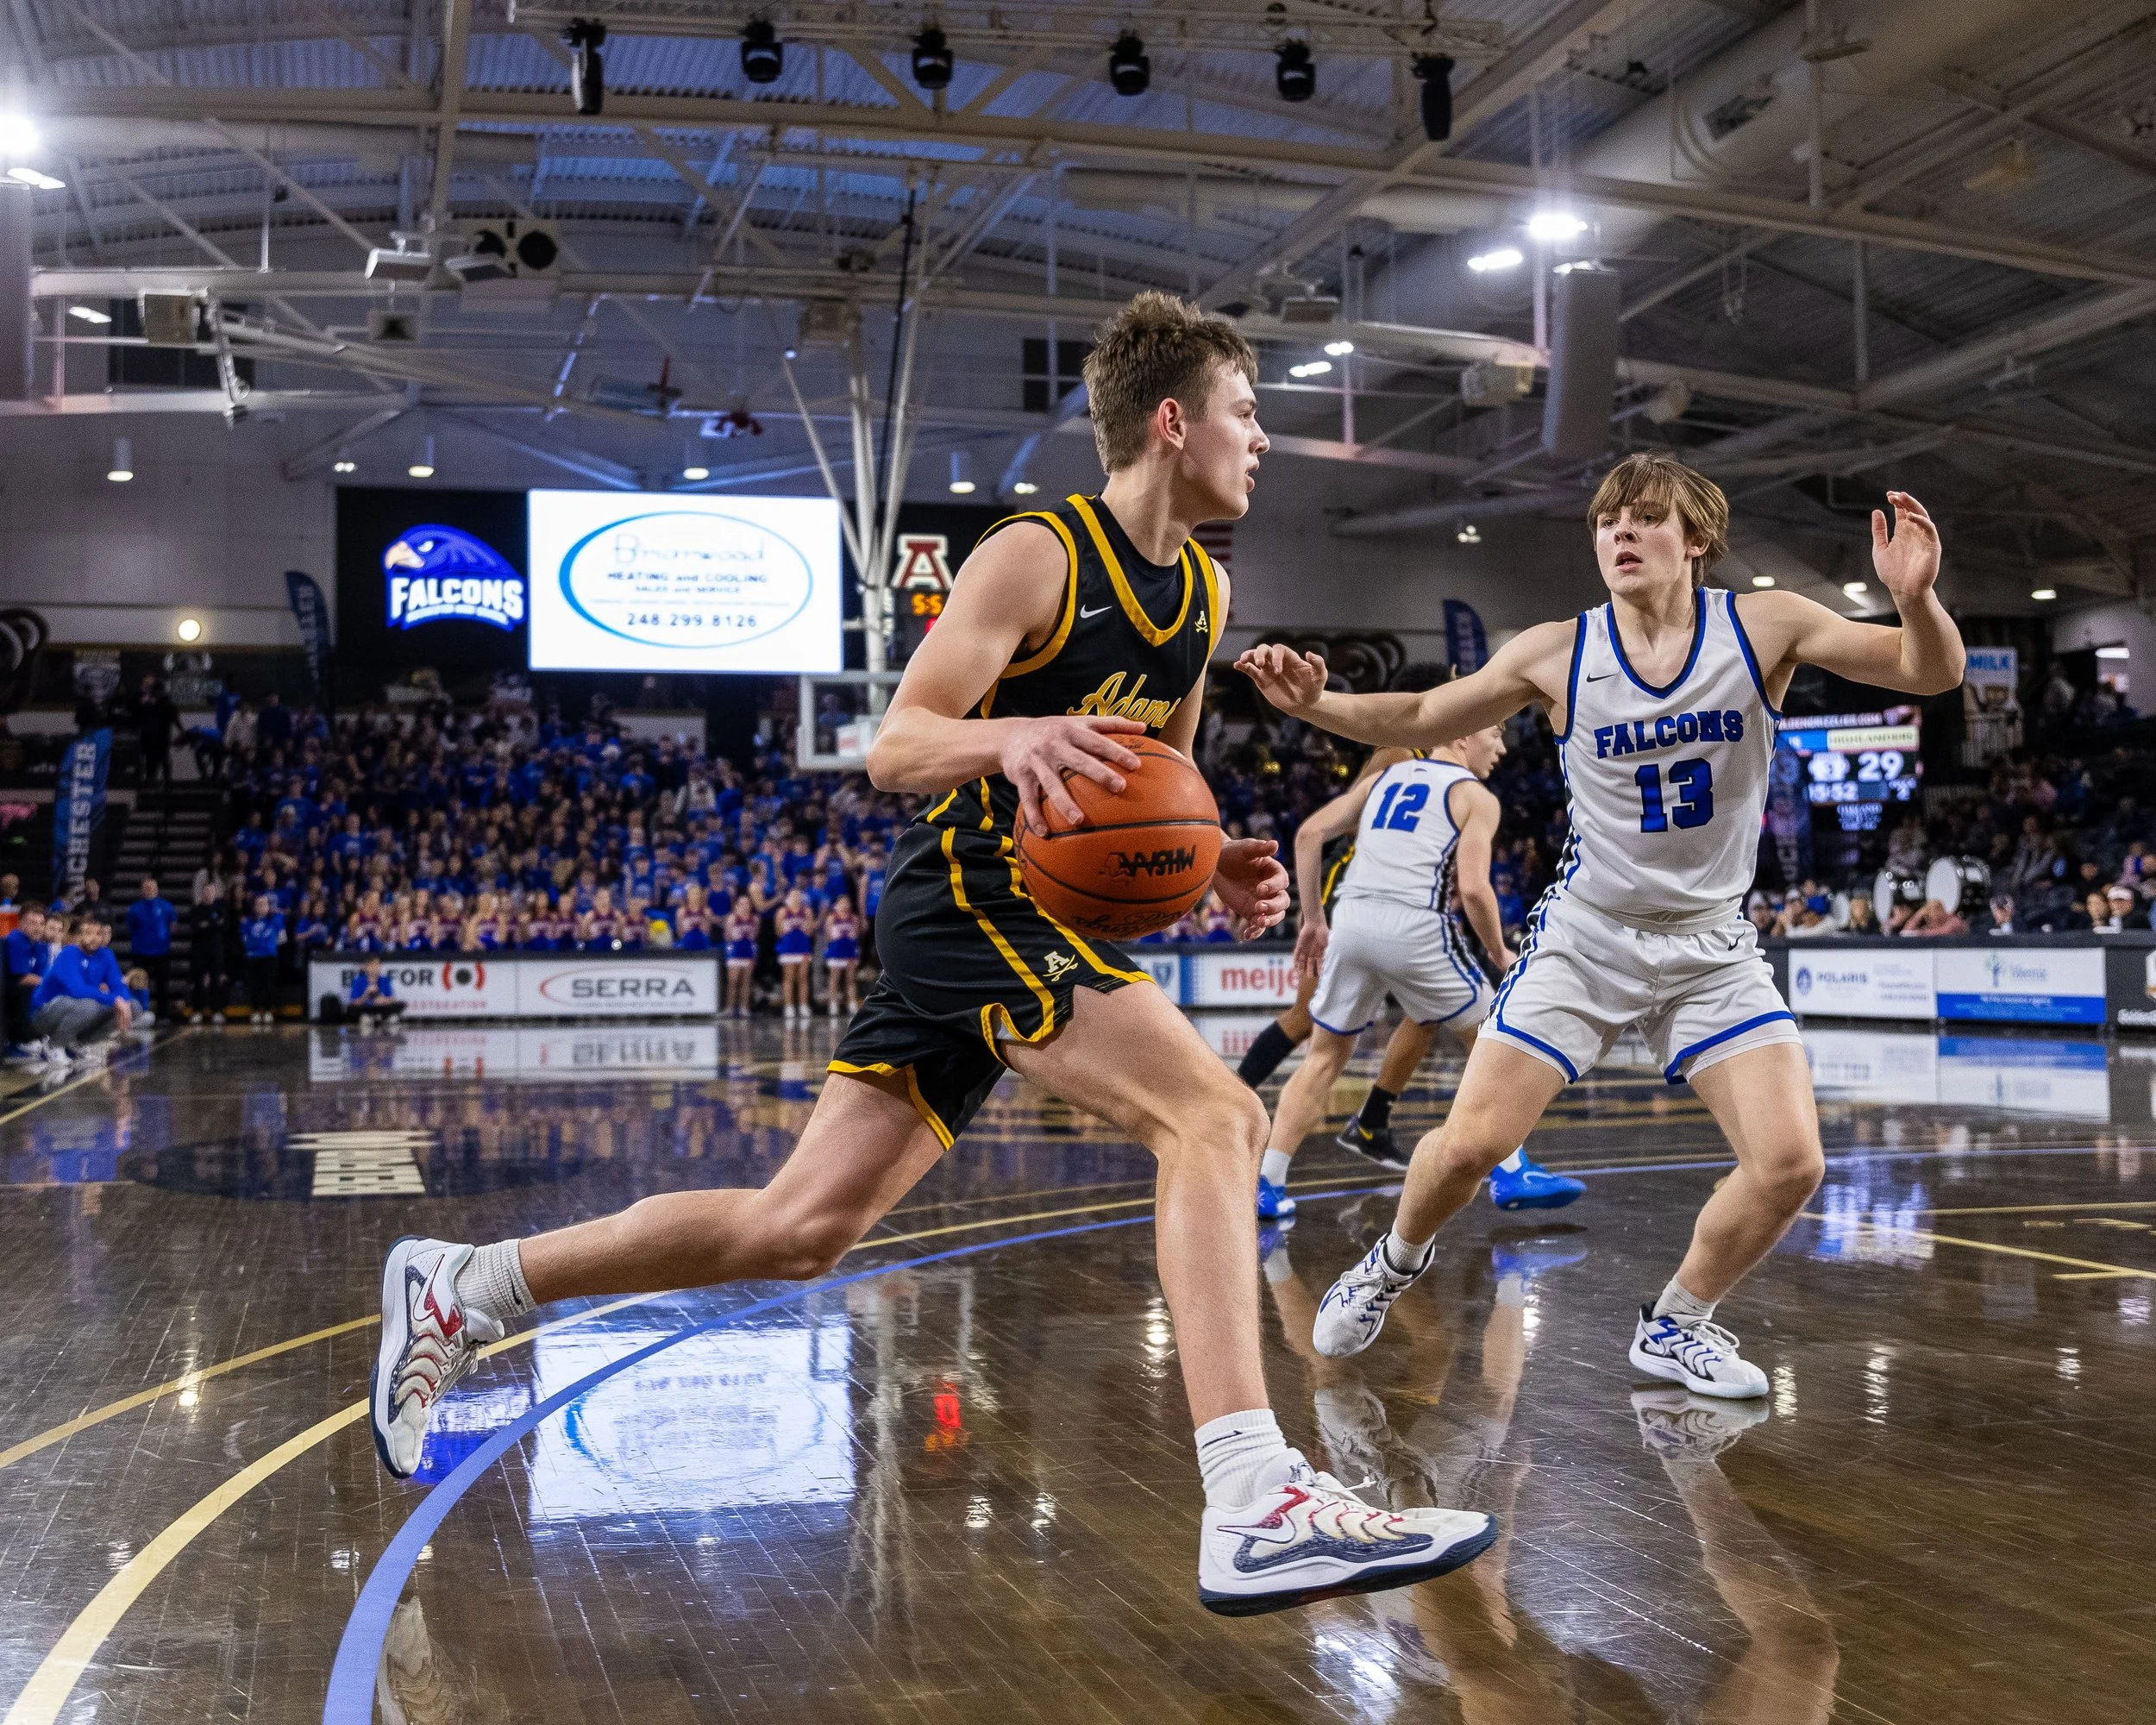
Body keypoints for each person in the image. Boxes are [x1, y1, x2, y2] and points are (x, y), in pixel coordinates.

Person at [367, 291, 1497, 1616]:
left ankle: (466, 1286)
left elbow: (1160, 783)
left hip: (1030, 916)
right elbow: (895, 745)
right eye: (1249, 415)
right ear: (1174, 421)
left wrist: (1218, 862)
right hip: (962, 888)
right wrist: (1007, 740)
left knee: (799, 1230)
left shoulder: (1203, 588)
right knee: (1215, 1114)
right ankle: (1254, 1497)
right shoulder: (1037, 555)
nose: (1265, 443)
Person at [1239, 455, 1961, 1398]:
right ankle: (1391, 1262)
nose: (1618, 533)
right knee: (1469, 1147)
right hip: (1588, 935)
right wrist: (1315, 704)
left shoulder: (1764, 622)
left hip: (1709, 944)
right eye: (1605, 521)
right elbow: (1420, 710)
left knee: (1790, 1163)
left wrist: (1915, 599)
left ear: (1693, 537)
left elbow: (1927, 670)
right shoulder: (1557, 650)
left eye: (1643, 518)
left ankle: (1676, 1324)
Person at [1257, 724, 1584, 1218]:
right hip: (1414, 925)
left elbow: (1308, 834)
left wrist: (1314, 919)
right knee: (1492, 1041)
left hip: (1352, 919)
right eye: (1493, 734)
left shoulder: (1384, 778)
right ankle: (1513, 1172)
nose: (1501, 747)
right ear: (1460, 736)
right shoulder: (1475, 797)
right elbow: (1474, 891)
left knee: (1323, 1057)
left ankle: (1268, 1183)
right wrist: (1498, 952)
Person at [1236, 738, 1468, 1171]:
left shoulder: (1456, 774)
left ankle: (1372, 1122)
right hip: (1358, 884)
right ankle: (1230, 1098)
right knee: (1307, 1018)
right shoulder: (1402, 754)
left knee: (1427, 1017)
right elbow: (1351, 819)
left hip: (1405, 899)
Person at [29, 913, 131, 1070]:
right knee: (90, 1005)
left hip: (76, 1008)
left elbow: (118, 986)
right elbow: (77, 990)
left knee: (133, 1007)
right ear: (78, 936)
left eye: (98, 934)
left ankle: (79, 1043)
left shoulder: (106, 954)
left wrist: (123, 1000)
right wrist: (115, 1000)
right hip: (43, 1014)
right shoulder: (68, 953)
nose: (94, 938)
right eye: (88, 933)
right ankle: (54, 1045)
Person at [123, 875, 178, 1019]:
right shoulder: (135, 909)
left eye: (152, 887)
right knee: (139, 983)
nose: (150, 890)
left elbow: (173, 925)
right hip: (141, 951)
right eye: (147, 888)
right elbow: (130, 927)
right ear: (142, 890)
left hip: (162, 951)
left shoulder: (166, 906)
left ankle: (163, 1014)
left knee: (162, 984)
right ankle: (139, 1012)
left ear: (157, 889)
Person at [4, 903, 51, 1059]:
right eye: (32, 923)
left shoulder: (39, 945)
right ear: (20, 923)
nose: (38, 928)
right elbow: (22, 978)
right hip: (7, 992)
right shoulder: (15, 940)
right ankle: (16, 1040)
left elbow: (39, 976)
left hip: (16, 992)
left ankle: (36, 1037)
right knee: (28, 990)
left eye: (41, 924)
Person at [187, 881, 234, 1025]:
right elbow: (196, 927)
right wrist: (212, 925)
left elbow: (224, 926)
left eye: (211, 891)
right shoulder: (197, 910)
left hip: (215, 950)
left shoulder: (221, 909)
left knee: (216, 982)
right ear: (203, 893)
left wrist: (207, 925)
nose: (209, 894)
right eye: (206, 891)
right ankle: (197, 1010)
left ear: (215, 893)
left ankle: (217, 1011)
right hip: (199, 951)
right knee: (199, 982)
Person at [241, 894, 285, 1026]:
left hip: (269, 956)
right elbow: (245, 939)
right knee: (254, 985)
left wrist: (268, 947)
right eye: (258, 904)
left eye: (264, 904)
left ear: (268, 906)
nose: (261, 907)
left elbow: (282, 938)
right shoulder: (248, 921)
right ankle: (255, 1010)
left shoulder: (275, 919)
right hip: (253, 957)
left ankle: (267, 1011)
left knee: (268, 984)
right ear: (254, 907)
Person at [774, 887, 815, 1019]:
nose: (796, 897)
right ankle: (789, 1006)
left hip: (803, 947)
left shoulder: (807, 911)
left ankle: (803, 1006)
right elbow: (778, 931)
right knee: (788, 978)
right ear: (788, 898)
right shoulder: (782, 912)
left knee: (803, 978)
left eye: (798, 895)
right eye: (793, 895)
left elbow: (809, 931)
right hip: (788, 948)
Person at [821, 893, 862, 1018]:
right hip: (836, 951)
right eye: (842, 902)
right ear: (837, 905)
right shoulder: (831, 918)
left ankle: (852, 1003)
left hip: (849, 951)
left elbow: (857, 934)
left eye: (847, 902)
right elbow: (828, 935)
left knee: (851, 980)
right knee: (834, 979)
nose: (845, 905)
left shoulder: (854, 918)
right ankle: (833, 1004)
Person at [344, 956, 407, 1029]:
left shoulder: (385, 980)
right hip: (366, 1008)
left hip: (381, 1007)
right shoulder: (358, 981)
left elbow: (392, 999)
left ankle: (381, 1018)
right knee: (351, 1008)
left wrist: (382, 999)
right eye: (373, 965)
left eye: (378, 965)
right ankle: (372, 1018)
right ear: (367, 967)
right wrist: (366, 994)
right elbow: (354, 1002)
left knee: (400, 1004)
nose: (376, 967)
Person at [722, 900, 759, 1017]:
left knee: (746, 981)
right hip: (735, 951)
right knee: (733, 981)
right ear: (736, 906)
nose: (744, 906)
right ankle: (730, 1008)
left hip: (748, 951)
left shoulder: (755, 919)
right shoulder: (732, 918)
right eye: (741, 904)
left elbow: (755, 935)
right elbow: (727, 936)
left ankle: (744, 1008)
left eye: (747, 904)